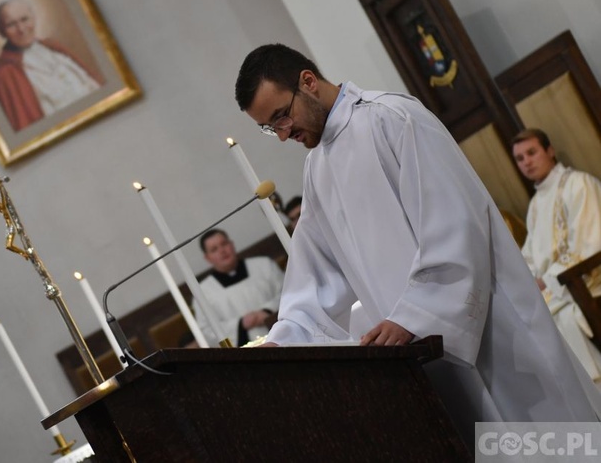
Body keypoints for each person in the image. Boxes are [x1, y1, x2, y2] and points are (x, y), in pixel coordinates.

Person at [233, 43, 601, 444]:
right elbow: (315, 275)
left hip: (493, 335)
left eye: (282, 116)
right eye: (271, 129)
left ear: (308, 82)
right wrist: (280, 342)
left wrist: (414, 314)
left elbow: (456, 223)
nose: (284, 135)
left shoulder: (392, 118)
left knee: (552, 444)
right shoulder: (317, 170)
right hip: (422, 353)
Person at [512, 128, 601, 387]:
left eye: (532, 152)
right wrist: (529, 282)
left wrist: (547, 281)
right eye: (519, 158)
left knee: (553, 320)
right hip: (554, 289)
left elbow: (590, 243)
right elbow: (528, 257)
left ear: (549, 151)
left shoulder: (578, 184)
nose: (526, 162)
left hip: (585, 282)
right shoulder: (536, 204)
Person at [0, 0, 104, 131]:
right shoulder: (3, 75)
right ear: (0, 31)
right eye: (11, 25)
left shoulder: (53, 47)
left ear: (34, 17)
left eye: (25, 19)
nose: (21, 29)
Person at [195, 229, 283, 347]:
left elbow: (288, 293)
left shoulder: (264, 265)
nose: (222, 251)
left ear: (232, 244)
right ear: (208, 258)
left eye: (224, 244)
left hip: (282, 338)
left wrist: (267, 311)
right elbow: (207, 331)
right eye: (214, 249)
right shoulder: (203, 292)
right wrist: (241, 324)